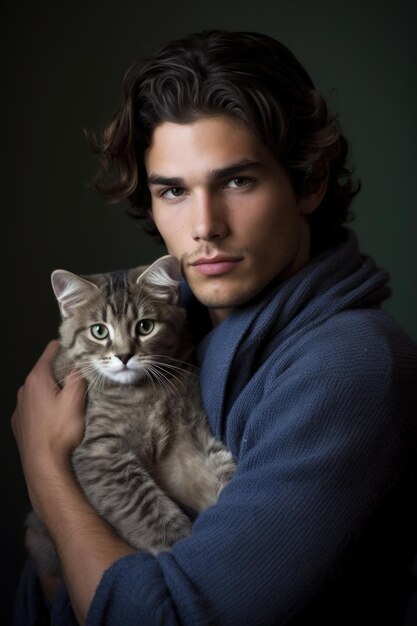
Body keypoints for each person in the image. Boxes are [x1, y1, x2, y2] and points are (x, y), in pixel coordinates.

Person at [11, 30, 417, 625]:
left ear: (309, 183)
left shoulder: (348, 366)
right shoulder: (179, 333)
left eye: (237, 181)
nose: (205, 226)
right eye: (174, 190)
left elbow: (168, 618)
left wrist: (44, 470)